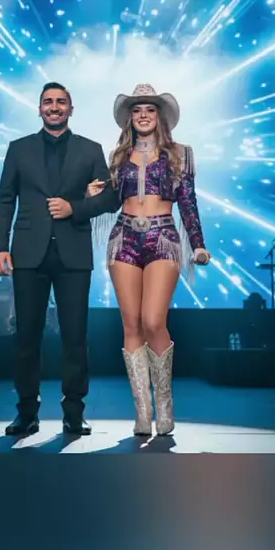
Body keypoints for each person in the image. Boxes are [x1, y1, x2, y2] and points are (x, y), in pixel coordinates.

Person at [0, 81, 118, 437]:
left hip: (73, 253)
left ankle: (74, 413)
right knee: (27, 337)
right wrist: (0, 246)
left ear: (71, 109)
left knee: (75, 337)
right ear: (39, 109)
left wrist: (74, 208)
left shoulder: (90, 149)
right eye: (48, 101)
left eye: (61, 101)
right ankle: (26, 413)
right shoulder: (19, 149)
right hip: (28, 252)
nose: (54, 106)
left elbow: (110, 199)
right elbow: (5, 199)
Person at [87, 84, 210, 437]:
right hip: (124, 237)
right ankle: (143, 412)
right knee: (131, 325)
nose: (143, 115)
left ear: (160, 116)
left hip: (163, 237)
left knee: (153, 321)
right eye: (137, 109)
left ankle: (165, 405)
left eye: (150, 109)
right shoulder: (117, 156)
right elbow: (111, 202)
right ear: (129, 117)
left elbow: (188, 202)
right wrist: (93, 195)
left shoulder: (180, 154)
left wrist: (198, 245)